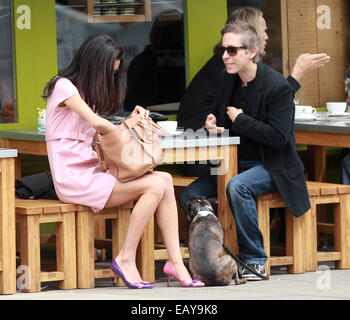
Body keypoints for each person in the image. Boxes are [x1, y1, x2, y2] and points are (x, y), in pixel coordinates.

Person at [42, 34, 204, 289]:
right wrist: (129, 123)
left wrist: (129, 119)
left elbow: (102, 131)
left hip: (93, 172)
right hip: (74, 179)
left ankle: (175, 261)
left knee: (165, 178)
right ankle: (126, 257)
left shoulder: (85, 94)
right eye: (108, 71)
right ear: (93, 63)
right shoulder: (64, 86)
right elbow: (98, 124)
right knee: (154, 185)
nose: (109, 78)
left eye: (114, 73)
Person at [179, 21, 311, 280]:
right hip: (235, 161)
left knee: (238, 187)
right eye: (223, 50)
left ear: (252, 52)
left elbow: (278, 138)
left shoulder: (277, 87)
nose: (225, 56)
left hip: (272, 165)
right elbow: (220, 116)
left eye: (232, 50)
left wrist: (241, 120)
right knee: (190, 195)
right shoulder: (227, 80)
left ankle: (254, 259)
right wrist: (212, 124)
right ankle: (214, 254)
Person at [177, 7, 330, 177]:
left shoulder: (231, 66)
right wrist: (297, 73)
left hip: (208, 152)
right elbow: (265, 109)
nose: (266, 37)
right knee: (271, 170)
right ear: (251, 35)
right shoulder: (229, 69)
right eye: (263, 31)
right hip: (201, 157)